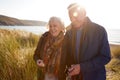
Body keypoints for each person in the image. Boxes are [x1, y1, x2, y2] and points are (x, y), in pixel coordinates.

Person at [58, 3, 111, 80]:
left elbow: (105, 57)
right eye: (70, 17)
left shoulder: (99, 30)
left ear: (84, 13)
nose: (72, 19)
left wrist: (82, 67)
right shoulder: (68, 32)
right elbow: (68, 55)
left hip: (95, 77)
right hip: (75, 77)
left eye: (75, 15)